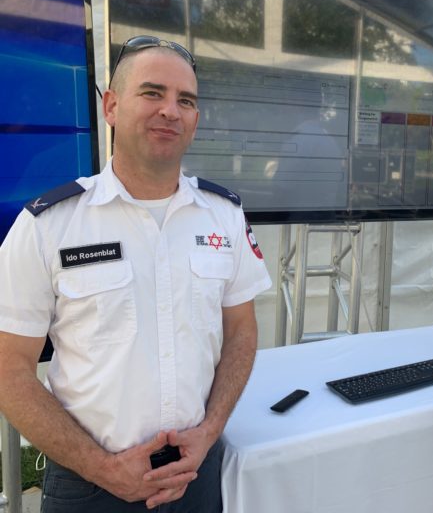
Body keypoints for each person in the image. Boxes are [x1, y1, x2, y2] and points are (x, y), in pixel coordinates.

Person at [0, 36, 271, 512]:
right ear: (111, 106)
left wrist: (210, 431)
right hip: (90, 486)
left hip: (197, 475)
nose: (170, 111)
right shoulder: (49, 225)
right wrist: (102, 467)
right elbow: (8, 367)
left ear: (195, 120)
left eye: (185, 100)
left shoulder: (224, 216)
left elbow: (241, 331)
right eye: (152, 93)